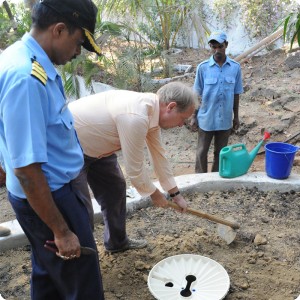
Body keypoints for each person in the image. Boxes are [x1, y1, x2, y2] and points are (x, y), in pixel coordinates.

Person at [0, 0, 104, 299]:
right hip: (52, 197)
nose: (77, 53)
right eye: (78, 42)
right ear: (59, 30)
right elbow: (28, 172)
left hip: (39, 196)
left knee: (49, 274)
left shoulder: (19, 57)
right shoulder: (27, 78)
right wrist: (61, 230)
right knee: (81, 282)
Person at [69, 82, 197, 253]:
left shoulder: (151, 112)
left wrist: (175, 194)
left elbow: (159, 156)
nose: (182, 125)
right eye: (183, 119)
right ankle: (83, 261)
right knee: (80, 209)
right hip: (69, 148)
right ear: (171, 107)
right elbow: (135, 169)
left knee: (115, 188)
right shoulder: (136, 115)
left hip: (98, 147)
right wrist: (154, 194)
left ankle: (117, 243)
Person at [192, 30, 244, 173]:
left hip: (225, 119)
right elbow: (197, 94)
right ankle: (200, 180)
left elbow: (236, 94)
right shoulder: (203, 68)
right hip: (206, 118)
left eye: (220, 46)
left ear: (226, 45)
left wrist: (236, 117)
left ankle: (216, 179)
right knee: (201, 152)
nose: (217, 50)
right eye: (213, 47)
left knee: (221, 153)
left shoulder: (235, 67)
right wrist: (193, 117)